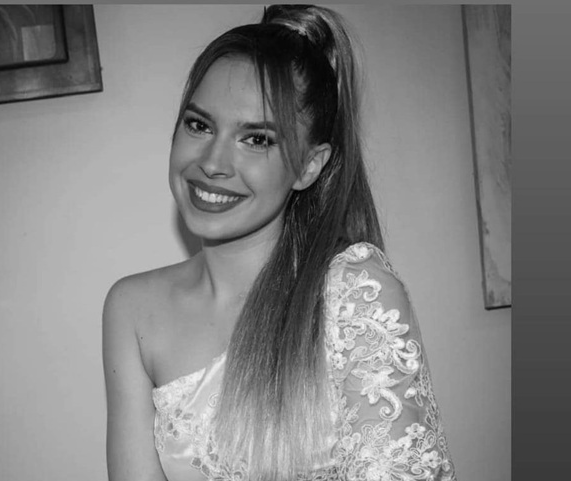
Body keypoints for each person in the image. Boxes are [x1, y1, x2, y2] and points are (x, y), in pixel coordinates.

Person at [103, 5, 456, 481]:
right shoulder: (132, 308)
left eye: (257, 139)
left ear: (309, 166)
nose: (212, 163)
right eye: (199, 125)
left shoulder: (354, 292)